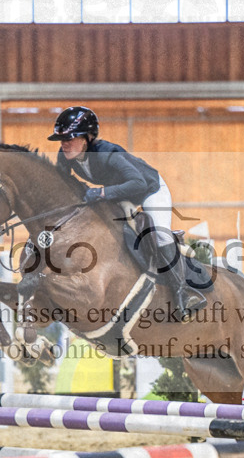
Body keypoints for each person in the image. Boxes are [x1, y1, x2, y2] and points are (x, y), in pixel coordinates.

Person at [48, 106, 206, 319]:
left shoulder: (106, 153)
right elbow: (63, 184)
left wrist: (102, 192)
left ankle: (184, 293)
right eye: (62, 139)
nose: (64, 144)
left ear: (87, 137)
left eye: (70, 138)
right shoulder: (65, 155)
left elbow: (138, 183)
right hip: (120, 195)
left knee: (159, 232)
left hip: (149, 189)